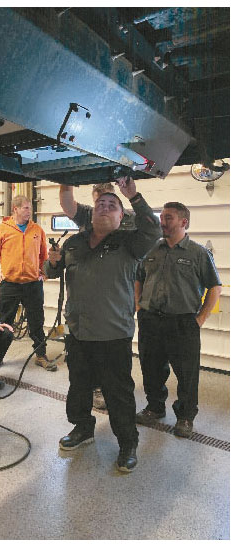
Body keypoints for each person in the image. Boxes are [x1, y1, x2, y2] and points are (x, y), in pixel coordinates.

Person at [45, 177, 161, 472]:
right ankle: (82, 428)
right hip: (79, 333)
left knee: (117, 393)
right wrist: (52, 262)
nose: (105, 207)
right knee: (79, 387)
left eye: (112, 205)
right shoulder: (74, 242)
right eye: (100, 204)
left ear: (122, 217)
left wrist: (132, 195)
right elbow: (51, 271)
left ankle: (127, 443)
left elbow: (153, 228)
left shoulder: (130, 244)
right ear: (92, 211)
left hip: (113, 335)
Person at [135, 201, 222, 438]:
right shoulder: (151, 250)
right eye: (162, 217)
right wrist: (138, 307)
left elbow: (215, 287)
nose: (162, 221)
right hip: (151, 320)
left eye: (168, 218)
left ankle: (185, 417)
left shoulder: (198, 253)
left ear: (184, 222)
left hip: (183, 324)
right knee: (150, 368)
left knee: (186, 374)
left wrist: (200, 319)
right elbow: (138, 277)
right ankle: (154, 407)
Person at [0, 195, 54, 371]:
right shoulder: (2, 230)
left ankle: (40, 355)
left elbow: (43, 256)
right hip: (9, 284)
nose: (29, 211)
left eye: (30, 208)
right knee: (5, 324)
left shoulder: (37, 230)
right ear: (15, 209)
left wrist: (43, 273)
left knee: (37, 322)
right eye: (25, 208)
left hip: (32, 285)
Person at [59, 182, 136, 233]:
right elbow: (67, 204)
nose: (105, 209)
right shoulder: (87, 215)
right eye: (100, 203)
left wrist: (134, 196)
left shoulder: (133, 218)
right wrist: (68, 178)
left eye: (109, 203)